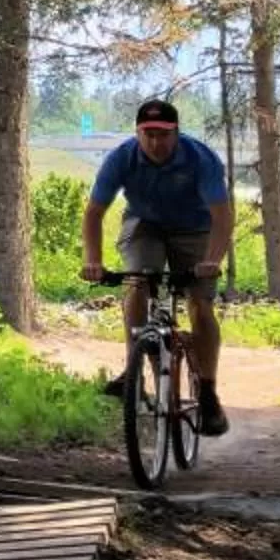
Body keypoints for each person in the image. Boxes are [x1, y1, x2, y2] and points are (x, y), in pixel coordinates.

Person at [79, 96, 233, 436]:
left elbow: (221, 216)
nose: (155, 142)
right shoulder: (121, 158)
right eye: (148, 134)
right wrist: (93, 260)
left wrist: (212, 260)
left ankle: (207, 391)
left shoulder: (200, 158)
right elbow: (94, 213)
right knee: (138, 281)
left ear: (176, 133)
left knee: (200, 304)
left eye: (163, 134)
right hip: (144, 225)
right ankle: (133, 371)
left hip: (196, 228)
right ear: (137, 133)